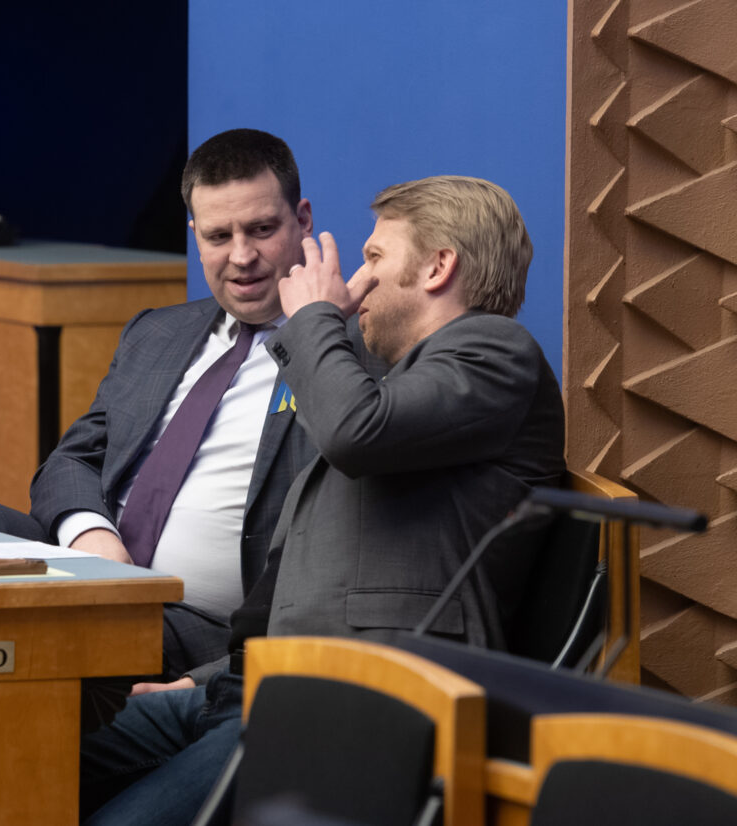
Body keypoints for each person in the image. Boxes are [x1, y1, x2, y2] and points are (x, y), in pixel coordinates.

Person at [80, 175, 566, 825]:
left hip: (356, 699)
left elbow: (351, 433)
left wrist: (313, 316)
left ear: (438, 267)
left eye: (374, 257)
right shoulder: (400, 391)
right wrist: (205, 678)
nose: (356, 282)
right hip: (251, 686)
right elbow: (309, 584)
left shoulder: (495, 350)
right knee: (14, 750)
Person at [0, 129, 371, 680]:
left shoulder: (348, 355)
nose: (242, 257)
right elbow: (71, 460)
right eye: (219, 236)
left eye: (262, 229)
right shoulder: (157, 331)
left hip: (201, 626)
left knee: (45, 646)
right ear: (195, 236)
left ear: (302, 220)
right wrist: (93, 537)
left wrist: (316, 328)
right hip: (96, 575)